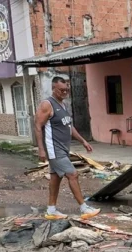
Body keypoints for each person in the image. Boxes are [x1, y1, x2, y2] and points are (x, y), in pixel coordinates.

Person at [36, 76, 99, 220]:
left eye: (66, 90)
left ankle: (51, 210)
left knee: (55, 178)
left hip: (63, 148)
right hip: (54, 149)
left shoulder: (63, 105)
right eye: (61, 90)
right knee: (72, 174)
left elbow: (69, 127)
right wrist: (41, 149)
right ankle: (84, 208)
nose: (65, 92)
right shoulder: (47, 105)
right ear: (53, 88)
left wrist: (83, 141)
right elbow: (38, 126)